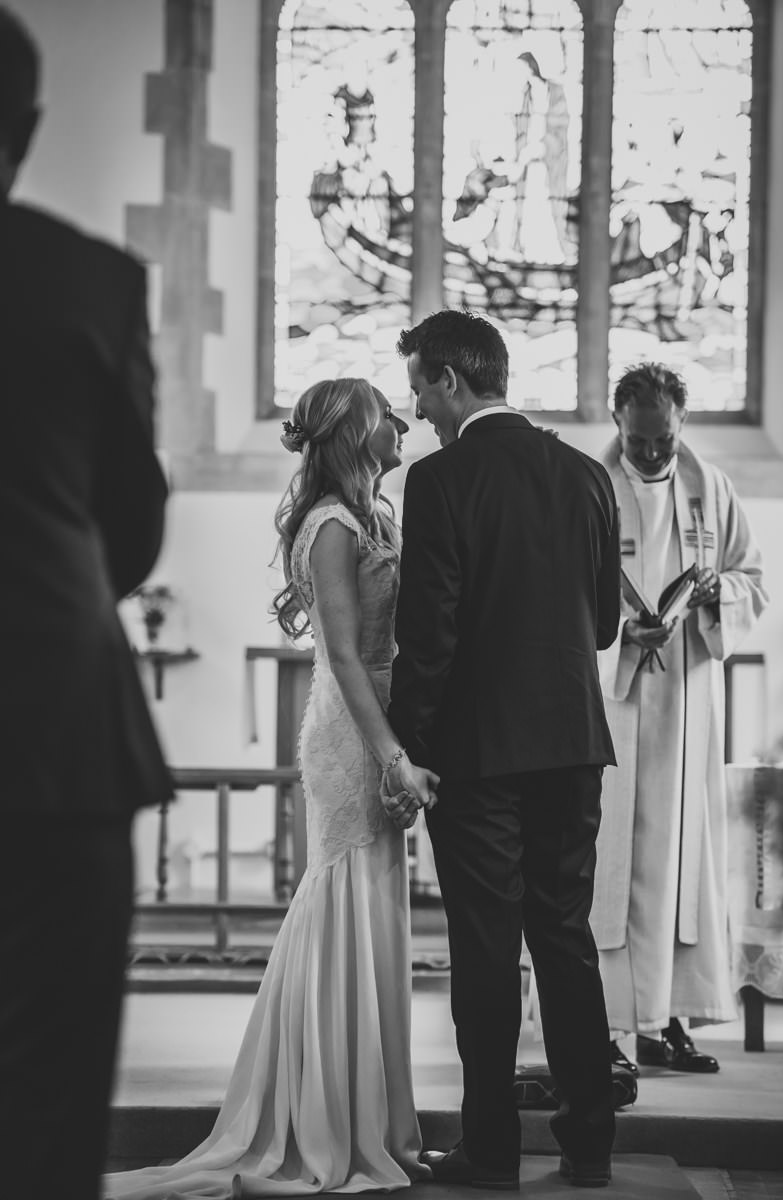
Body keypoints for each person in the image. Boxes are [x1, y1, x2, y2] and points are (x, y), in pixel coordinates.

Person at [104, 377, 439, 1199]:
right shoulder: (331, 526)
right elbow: (346, 656)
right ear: (358, 434)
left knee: (373, 909)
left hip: (384, 726)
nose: (401, 422)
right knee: (345, 901)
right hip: (355, 735)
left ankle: (376, 1122)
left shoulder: (374, 516)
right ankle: (328, 1124)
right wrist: (393, 756)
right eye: (384, 415)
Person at [0, 8, 172, 1200]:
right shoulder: (89, 280)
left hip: (57, 722)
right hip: (52, 722)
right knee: (50, 1103)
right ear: (26, 128)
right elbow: (134, 513)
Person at [388, 309, 620, 1190]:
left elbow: (430, 634)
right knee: (564, 938)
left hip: (476, 755)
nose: (419, 408)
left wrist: (405, 751)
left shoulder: (439, 480)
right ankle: (589, 1146)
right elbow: (600, 625)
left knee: (485, 949)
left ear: (451, 379)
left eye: (419, 387)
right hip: (571, 745)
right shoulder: (583, 475)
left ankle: (489, 1151)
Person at [592, 362, 769, 1075]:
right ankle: (606, 1030)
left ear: (680, 425)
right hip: (613, 703)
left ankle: (666, 1021)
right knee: (613, 866)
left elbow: (751, 579)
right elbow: (559, 594)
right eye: (639, 443)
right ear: (617, 425)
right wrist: (616, 636)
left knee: (677, 866)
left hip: (688, 699)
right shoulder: (588, 489)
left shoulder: (712, 489)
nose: (653, 456)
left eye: (663, 441)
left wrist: (711, 596)